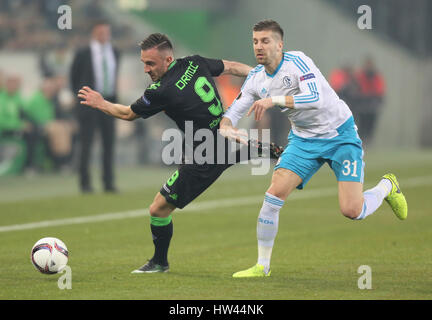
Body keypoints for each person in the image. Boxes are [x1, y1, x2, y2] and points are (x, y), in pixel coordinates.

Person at [77, 33, 280, 273]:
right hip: (224, 135)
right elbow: (232, 67)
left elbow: (127, 114)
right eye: (143, 63)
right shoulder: (194, 62)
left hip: (203, 156)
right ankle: (253, 150)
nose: (146, 69)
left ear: (168, 59)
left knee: (158, 209)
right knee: (221, 157)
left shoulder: (161, 91)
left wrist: (101, 103)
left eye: (150, 63)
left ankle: (159, 262)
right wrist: (262, 76)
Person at [220, 20, 408, 278]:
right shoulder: (255, 79)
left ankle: (388, 186)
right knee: (273, 195)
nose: (259, 47)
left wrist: (273, 100)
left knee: (353, 211)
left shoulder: (298, 62)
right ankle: (263, 266)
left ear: (280, 44)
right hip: (304, 140)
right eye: (255, 42)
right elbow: (233, 112)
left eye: (265, 41)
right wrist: (227, 127)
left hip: (340, 134)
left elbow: (314, 99)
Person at [70, 21, 120, 193]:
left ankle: (108, 183)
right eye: (100, 32)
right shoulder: (83, 53)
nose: (104, 35)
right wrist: (81, 100)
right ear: (93, 33)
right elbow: (74, 78)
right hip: (89, 104)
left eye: (106, 32)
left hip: (109, 102)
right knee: (87, 144)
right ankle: (85, 183)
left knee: (109, 144)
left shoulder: (115, 52)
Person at [355, 57, 386, 146]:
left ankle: (368, 143)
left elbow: (380, 90)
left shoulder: (376, 75)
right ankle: (361, 143)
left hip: (372, 104)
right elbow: (356, 88)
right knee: (361, 125)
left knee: (370, 126)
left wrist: (378, 100)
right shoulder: (360, 75)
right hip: (362, 103)